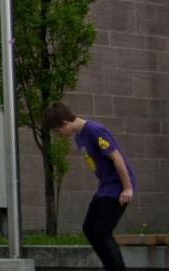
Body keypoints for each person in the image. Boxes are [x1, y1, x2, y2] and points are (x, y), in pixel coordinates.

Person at [44, 102, 136, 271]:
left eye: (58, 131)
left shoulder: (95, 130)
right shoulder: (79, 137)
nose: (59, 134)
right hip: (105, 187)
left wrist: (127, 188)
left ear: (65, 123)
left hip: (117, 187)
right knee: (89, 228)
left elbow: (117, 159)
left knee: (102, 231)